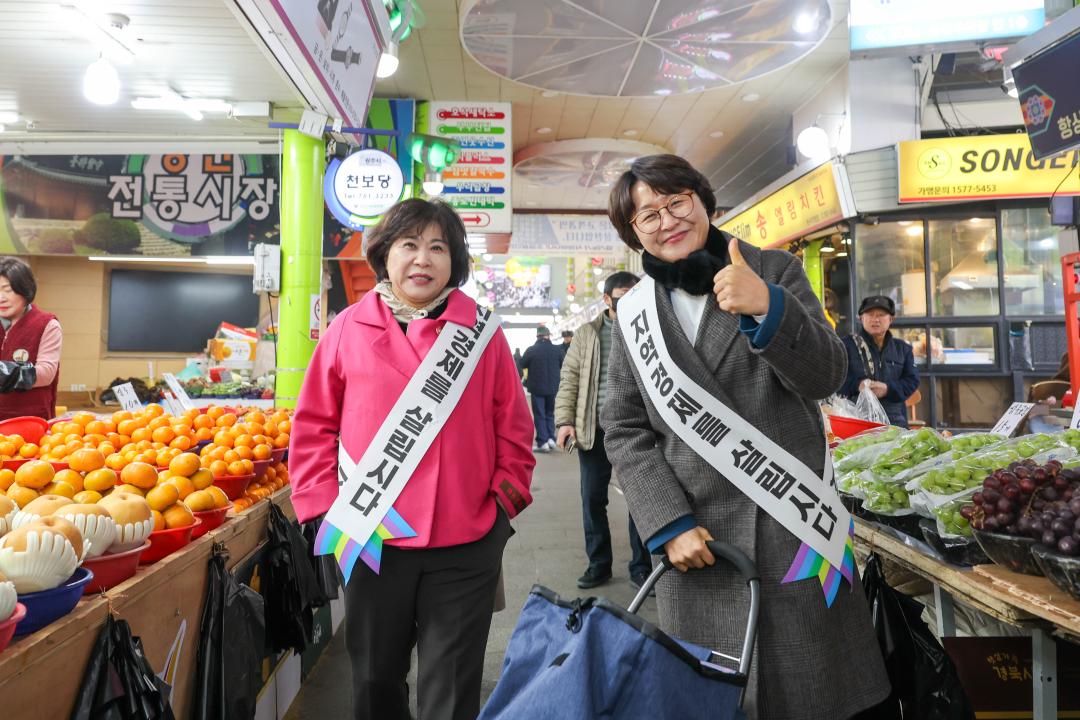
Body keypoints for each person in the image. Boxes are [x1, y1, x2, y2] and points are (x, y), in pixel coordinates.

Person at [601, 154, 888, 719]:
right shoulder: (634, 311)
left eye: (676, 201)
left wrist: (767, 308)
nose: (666, 221)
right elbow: (625, 427)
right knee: (714, 696)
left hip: (792, 527)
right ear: (633, 233)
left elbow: (827, 375)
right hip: (699, 547)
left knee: (814, 691)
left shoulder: (774, 270)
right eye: (647, 215)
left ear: (704, 200)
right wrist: (666, 523)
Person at [289, 198, 535, 720]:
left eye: (437, 247)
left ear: (454, 261)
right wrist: (323, 509)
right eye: (409, 245)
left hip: (466, 541)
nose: (422, 259)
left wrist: (499, 511)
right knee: (375, 679)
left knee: (451, 684)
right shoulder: (346, 330)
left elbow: (515, 430)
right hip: (372, 538)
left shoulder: (483, 335)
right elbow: (312, 427)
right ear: (385, 254)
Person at [555, 271, 651, 591]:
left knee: (640, 500)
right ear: (607, 299)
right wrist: (564, 422)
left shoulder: (648, 328)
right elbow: (570, 379)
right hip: (594, 430)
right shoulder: (587, 334)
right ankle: (599, 564)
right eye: (622, 298)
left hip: (637, 431)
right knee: (592, 500)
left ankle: (642, 566)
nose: (628, 304)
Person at [839, 295, 920, 428]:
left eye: (881, 315)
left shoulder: (903, 349)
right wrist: (857, 385)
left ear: (891, 319)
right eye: (870, 314)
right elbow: (836, 380)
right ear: (861, 318)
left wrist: (888, 389)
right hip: (856, 419)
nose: (875, 319)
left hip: (895, 422)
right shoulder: (845, 346)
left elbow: (912, 380)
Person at [0, 257, 61, 421]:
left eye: (8, 290)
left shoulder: (47, 324)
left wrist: (6, 373)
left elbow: (47, 372)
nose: (1, 297)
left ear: (25, 289)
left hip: (30, 419)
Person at [519, 325, 563, 452]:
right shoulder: (557, 350)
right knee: (550, 413)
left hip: (537, 388)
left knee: (540, 414)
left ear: (537, 336)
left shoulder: (531, 350)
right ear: (548, 335)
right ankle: (551, 439)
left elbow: (522, 363)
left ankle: (542, 442)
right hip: (553, 388)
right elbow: (563, 364)